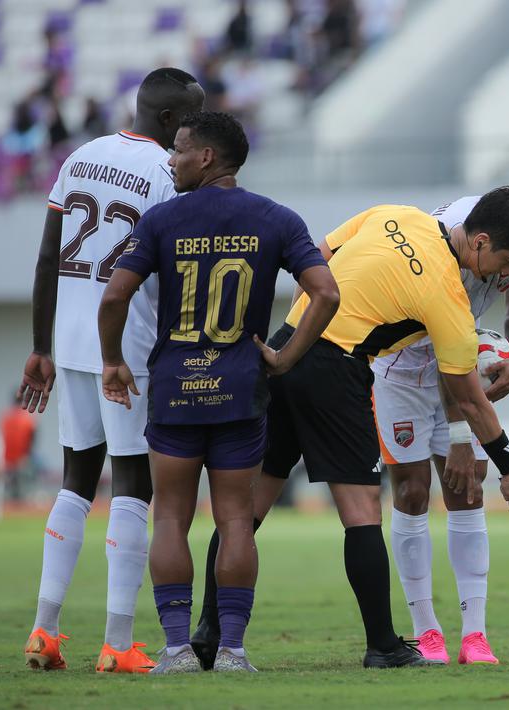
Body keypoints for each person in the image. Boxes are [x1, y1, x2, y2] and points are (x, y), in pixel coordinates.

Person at [191, 187, 509, 670]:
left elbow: (319, 257)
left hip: (284, 347)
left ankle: (210, 629)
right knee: (361, 513)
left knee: (248, 507)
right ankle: (382, 645)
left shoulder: (395, 214)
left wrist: (305, 327)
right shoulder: (449, 298)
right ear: (480, 241)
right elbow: (469, 400)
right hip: (335, 371)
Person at [99, 110, 337, 674]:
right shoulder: (276, 218)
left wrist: (112, 361)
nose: (171, 159)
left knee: (171, 520)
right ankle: (232, 650)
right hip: (240, 391)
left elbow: (113, 299)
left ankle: (177, 649)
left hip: (177, 390)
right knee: (234, 521)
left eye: (178, 149)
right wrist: (285, 357)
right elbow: (326, 293)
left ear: (206, 156)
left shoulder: (160, 220)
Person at [17, 67, 205, 674]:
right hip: (127, 348)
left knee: (75, 479)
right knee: (132, 486)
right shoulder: (167, 175)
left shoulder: (81, 156)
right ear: (174, 121)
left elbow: (48, 257)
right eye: (192, 119)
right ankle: (118, 642)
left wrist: (40, 346)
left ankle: (44, 630)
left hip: (70, 341)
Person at [373, 195, 509, 665]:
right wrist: (461, 438)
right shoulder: (452, 246)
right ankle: (428, 633)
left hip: (460, 368)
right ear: (498, 242)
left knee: (469, 491)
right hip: (399, 370)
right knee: (413, 493)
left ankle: (475, 636)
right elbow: (449, 348)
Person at [0, 391, 38, 502]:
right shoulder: (27, 416)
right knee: (22, 490)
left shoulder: (5, 415)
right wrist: (27, 455)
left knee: (9, 490)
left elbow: (1, 437)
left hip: (7, 459)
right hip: (21, 458)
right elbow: (33, 437)